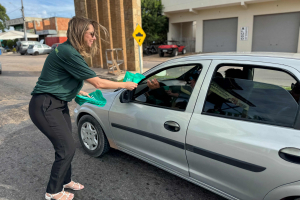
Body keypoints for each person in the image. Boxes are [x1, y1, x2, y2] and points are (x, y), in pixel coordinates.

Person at [28, 16, 137, 200]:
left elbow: (66, 78)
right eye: (92, 34)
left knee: (64, 146)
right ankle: (52, 191)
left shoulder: (67, 51)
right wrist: (125, 85)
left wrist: (79, 91)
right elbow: (98, 82)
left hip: (57, 104)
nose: (94, 38)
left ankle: (66, 180)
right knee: (67, 148)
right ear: (80, 33)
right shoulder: (68, 52)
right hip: (45, 105)